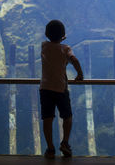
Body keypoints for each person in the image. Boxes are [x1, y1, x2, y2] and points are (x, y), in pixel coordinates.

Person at [40, 20, 84, 159]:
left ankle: (50, 148)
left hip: (45, 88)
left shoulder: (44, 46)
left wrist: (59, 38)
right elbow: (74, 60)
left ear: (47, 34)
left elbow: (52, 43)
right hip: (60, 89)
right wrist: (80, 74)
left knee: (47, 119)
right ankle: (65, 143)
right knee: (67, 116)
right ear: (63, 36)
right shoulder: (66, 49)